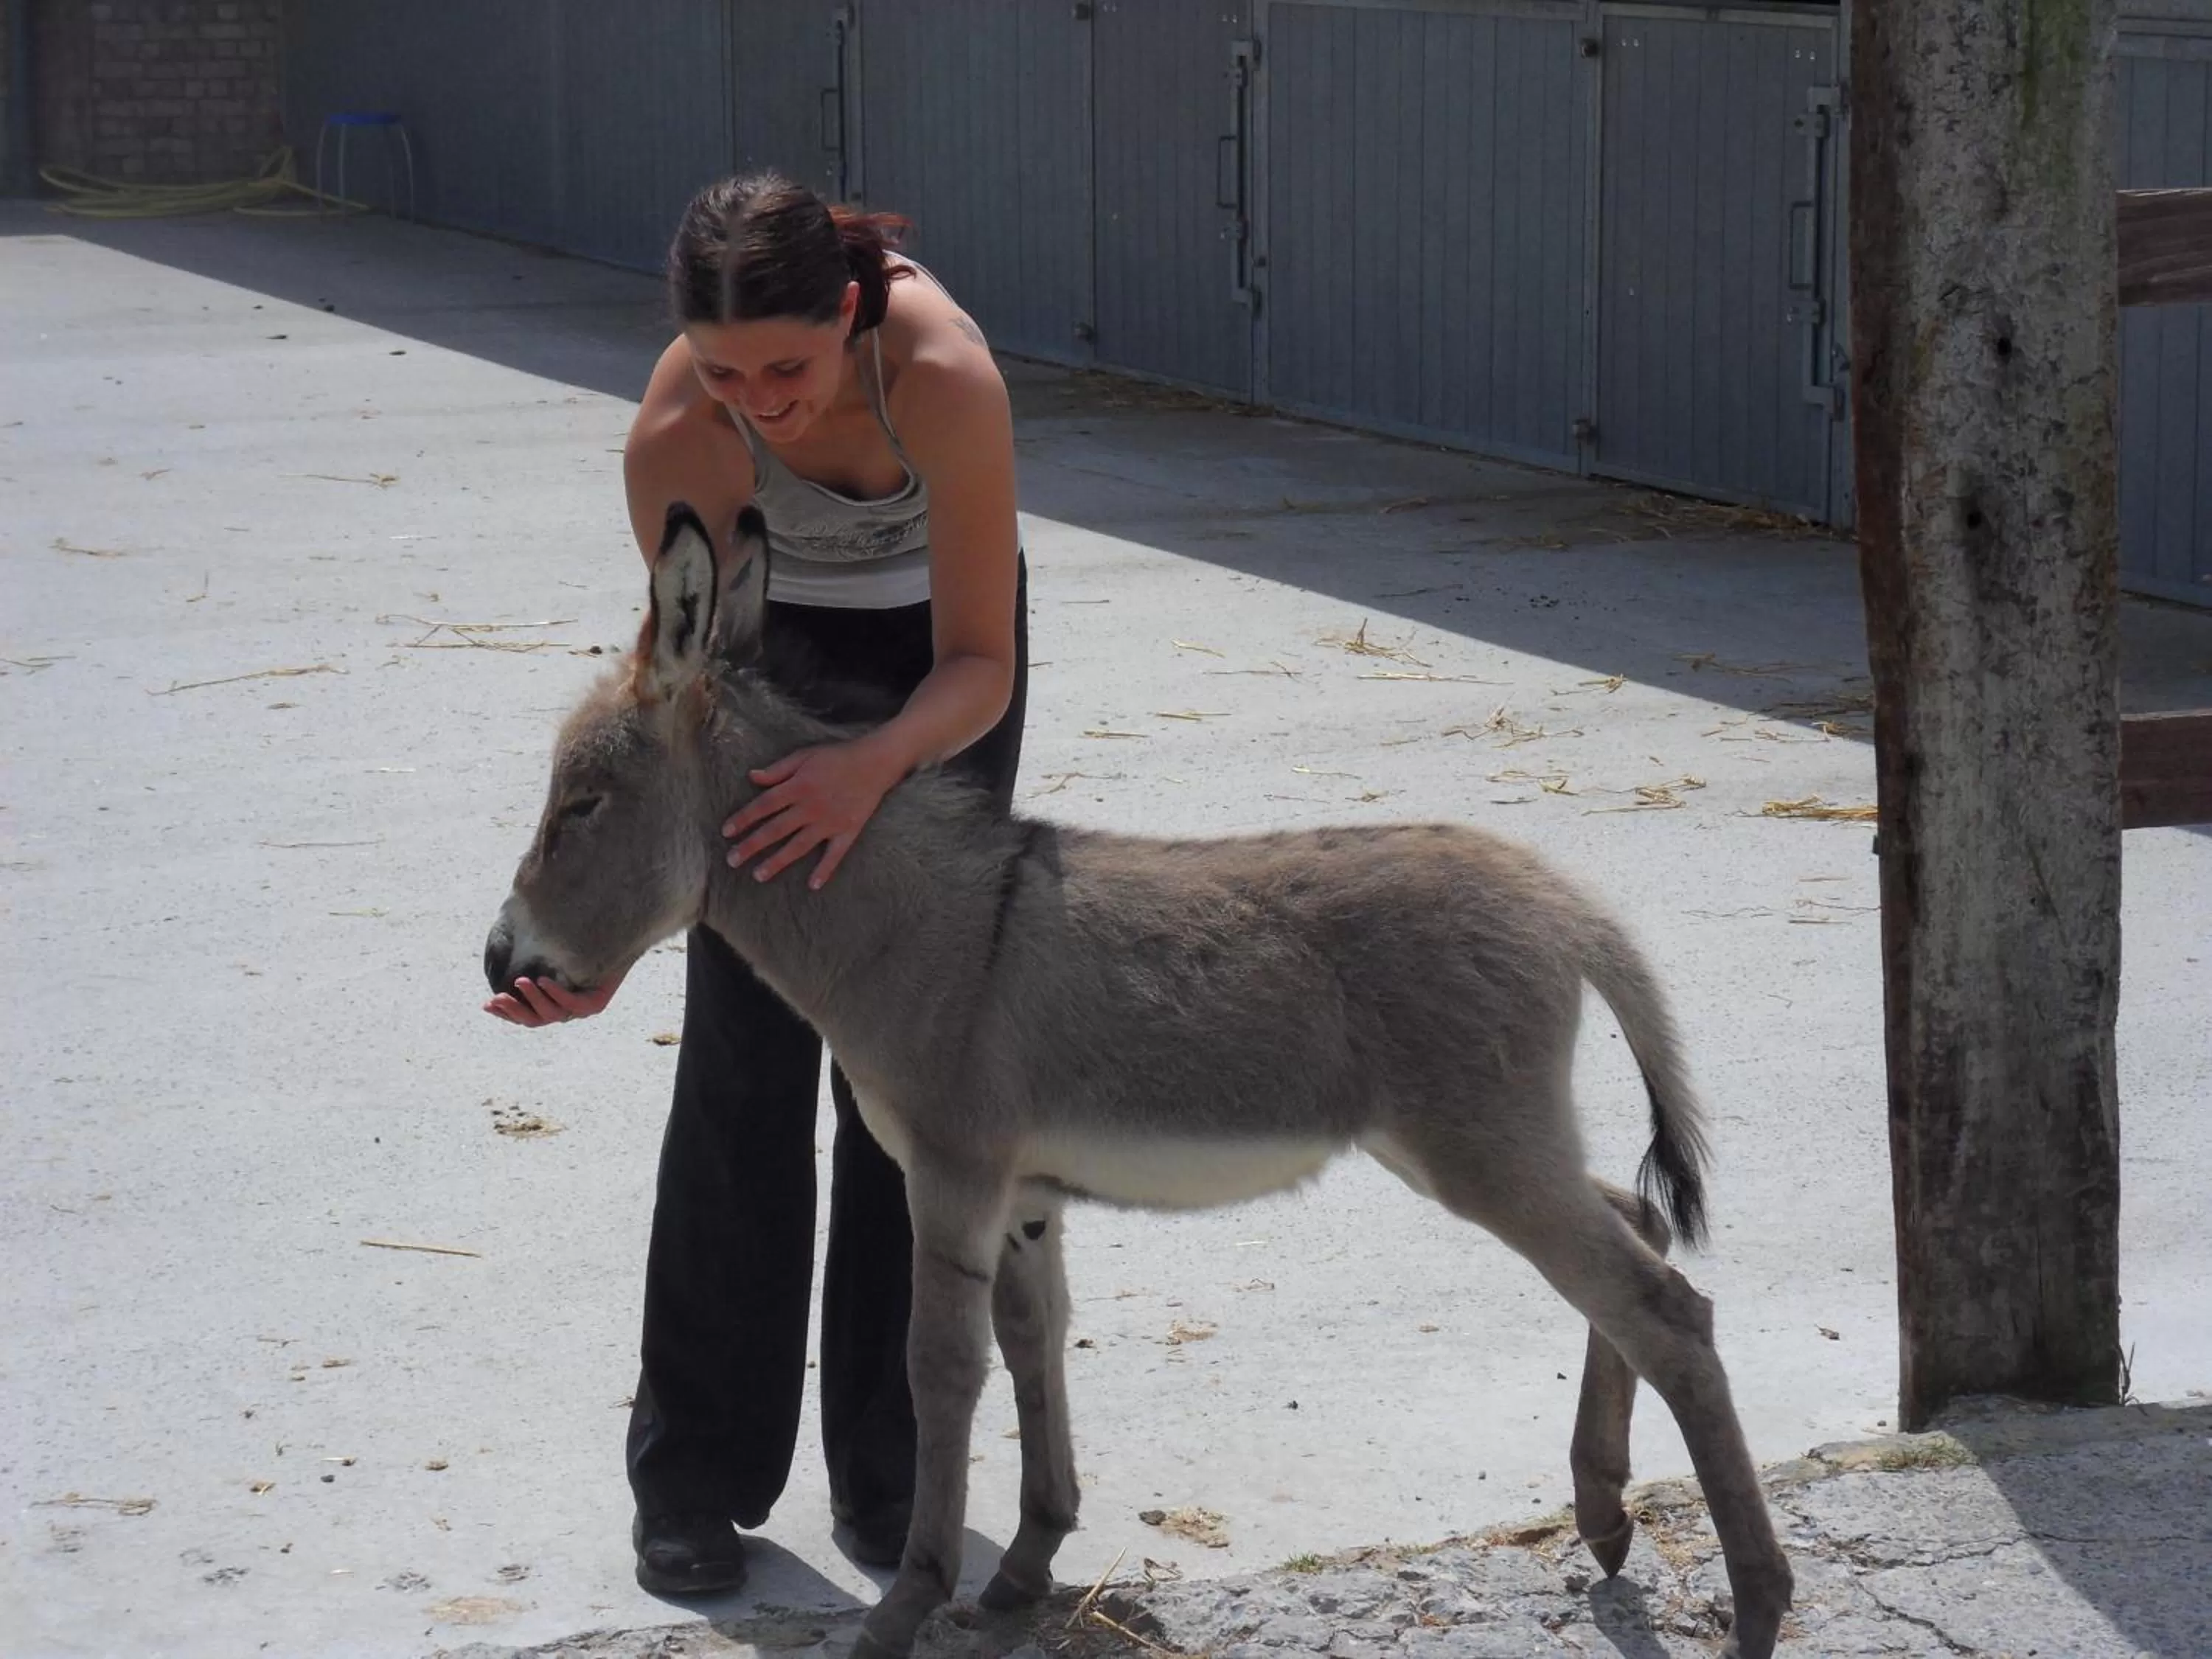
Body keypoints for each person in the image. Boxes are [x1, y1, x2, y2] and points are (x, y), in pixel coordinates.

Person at [481, 170, 1029, 1595]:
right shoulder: (680, 431)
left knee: (903, 1083)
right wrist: (601, 944)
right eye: (727, 373)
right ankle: (694, 1474)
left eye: (787, 367)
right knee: (744, 1060)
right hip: (764, 676)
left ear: (849, 315)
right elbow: (674, 694)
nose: (762, 402)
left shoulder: (947, 380)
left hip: (934, 679)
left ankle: (891, 1469)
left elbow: (984, 660)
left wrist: (876, 770)